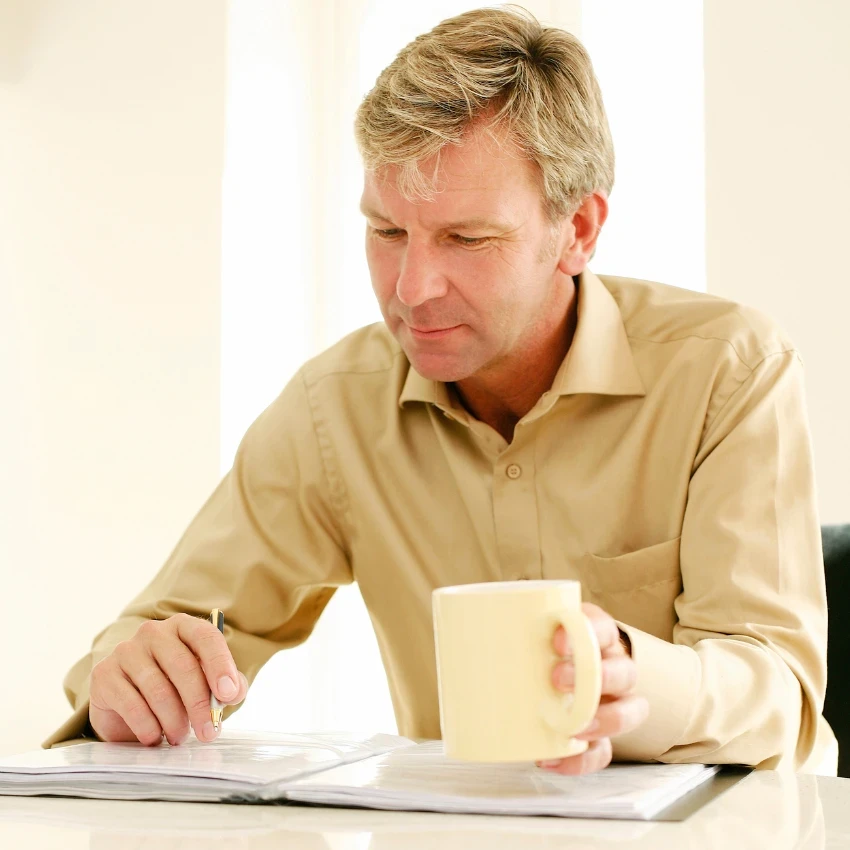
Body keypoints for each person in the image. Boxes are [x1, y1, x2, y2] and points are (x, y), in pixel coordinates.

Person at [44, 6, 835, 776]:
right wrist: (132, 684)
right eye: (387, 231)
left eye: (467, 238)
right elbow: (158, 634)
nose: (412, 288)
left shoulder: (728, 369)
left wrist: (634, 677)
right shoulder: (333, 409)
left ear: (579, 231)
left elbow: (777, 690)